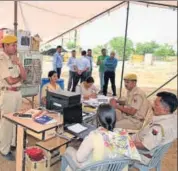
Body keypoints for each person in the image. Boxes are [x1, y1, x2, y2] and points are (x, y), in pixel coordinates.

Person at [63, 104, 140, 171]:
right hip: (116, 168)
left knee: (69, 150)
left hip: (96, 168)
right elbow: (131, 159)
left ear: (98, 120)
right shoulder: (124, 135)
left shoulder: (94, 136)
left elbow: (79, 158)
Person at [132, 91, 178, 165]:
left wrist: (127, 143)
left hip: (142, 154)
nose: (153, 106)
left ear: (166, 109)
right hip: (150, 148)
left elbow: (144, 146)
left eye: (156, 105)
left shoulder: (158, 128)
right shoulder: (174, 118)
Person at [0, 35, 26, 160]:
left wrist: (19, 64)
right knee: (7, 123)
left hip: (18, 93)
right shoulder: (2, 59)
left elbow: (25, 76)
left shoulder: (15, 58)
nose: (16, 47)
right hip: (8, 94)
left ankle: (13, 144)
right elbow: (10, 81)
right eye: (13, 45)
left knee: (17, 121)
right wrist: (20, 78)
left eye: (16, 45)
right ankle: (4, 150)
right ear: (5, 46)